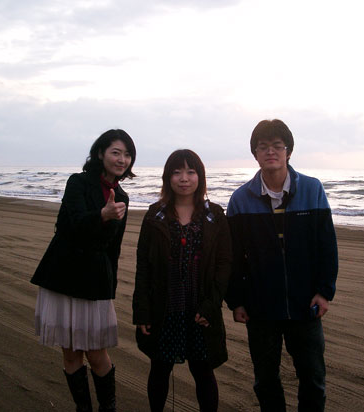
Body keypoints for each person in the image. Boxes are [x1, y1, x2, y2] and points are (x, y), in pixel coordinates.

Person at [225, 119, 338, 412]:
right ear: (255, 154)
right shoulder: (240, 199)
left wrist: (324, 292)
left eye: (277, 146)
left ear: (288, 151)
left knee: (313, 378)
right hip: (261, 307)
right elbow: (233, 258)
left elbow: (327, 246)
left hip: (306, 303)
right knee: (265, 379)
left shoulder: (312, 189)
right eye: (263, 147)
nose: (270, 152)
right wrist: (237, 301)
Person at [31, 129, 137, 412]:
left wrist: (110, 287)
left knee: (97, 352)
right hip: (63, 274)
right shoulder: (77, 182)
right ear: (100, 153)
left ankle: (108, 408)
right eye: (116, 152)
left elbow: (113, 248)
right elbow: (71, 224)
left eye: (127, 154)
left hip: (94, 281)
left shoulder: (122, 197)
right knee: (71, 353)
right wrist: (102, 215)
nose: (122, 159)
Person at [133, 149, 232, 412]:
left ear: (200, 176)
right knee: (159, 368)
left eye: (190, 171)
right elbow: (143, 266)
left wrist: (211, 306)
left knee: (203, 371)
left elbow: (224, 265)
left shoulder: (214, 215)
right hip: (165, 308)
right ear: (168, 178)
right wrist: (142, 311)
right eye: (176, 172)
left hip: (200, 309)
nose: (184, 178)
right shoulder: (155, 215)